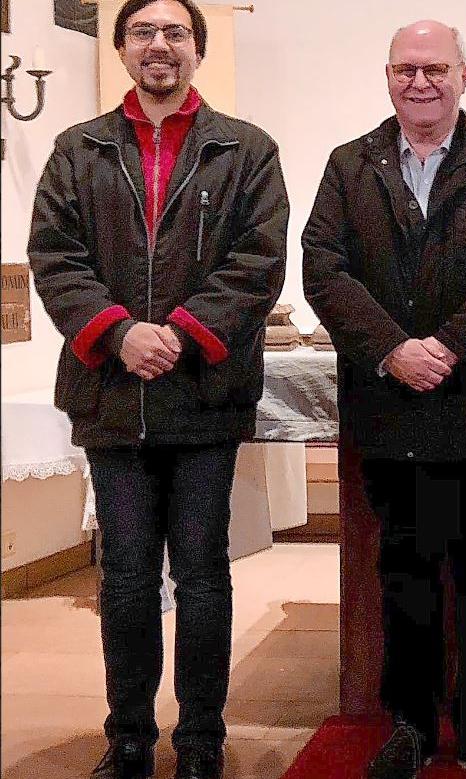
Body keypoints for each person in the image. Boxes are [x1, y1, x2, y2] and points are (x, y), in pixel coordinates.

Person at [26, 1, 289, 776]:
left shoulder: (246, 149)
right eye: (144, 32)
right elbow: (53, 253)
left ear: (197, 51)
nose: (160, 46)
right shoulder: (78, 149)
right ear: (122, 49)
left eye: (176, 32)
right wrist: (117, 330)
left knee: (204, 575)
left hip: (203, 393)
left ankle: (202, 740)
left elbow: (259, 258)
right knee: (129, 577)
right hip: (112, 394)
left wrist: (176, 331)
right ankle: (130, 737)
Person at [301, 19, 466, 779]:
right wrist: (391, 348)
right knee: (405, 575)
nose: (422, 81)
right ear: (387, 77)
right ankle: (409, 725)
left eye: (436, 68)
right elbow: (323, 266)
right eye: (407, 68)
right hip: (392, 410)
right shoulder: (351, 166)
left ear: (463, 76)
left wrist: (446, 345)